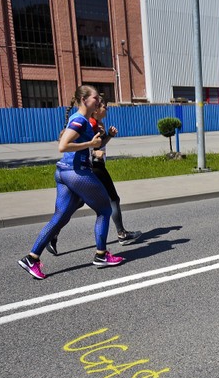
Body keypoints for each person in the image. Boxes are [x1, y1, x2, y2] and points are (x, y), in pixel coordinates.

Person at [17, 85, 124, 280]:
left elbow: (93, 144)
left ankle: (32, 258)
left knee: (61, 216)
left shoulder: (83, 121)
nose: (99, 102)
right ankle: (101, 255)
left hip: (63, 172)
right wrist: (90, 144)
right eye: (95, 99)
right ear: (84, 100)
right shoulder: (80, 120)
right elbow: (63, 145)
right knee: (105, 210)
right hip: (77, 173)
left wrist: (102, 139)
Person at [46, 98, 142, 256]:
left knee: (75, 204)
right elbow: (81, 145)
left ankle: (52, 235)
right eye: (104, 106)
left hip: (91, 167)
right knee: (112, 200)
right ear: (95, 109)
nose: (106, 110)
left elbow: (98, 144)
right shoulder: (88, 123)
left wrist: (109, 136)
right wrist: (94, 153)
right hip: (94, 168)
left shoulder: (97, 124)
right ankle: (120, 235)